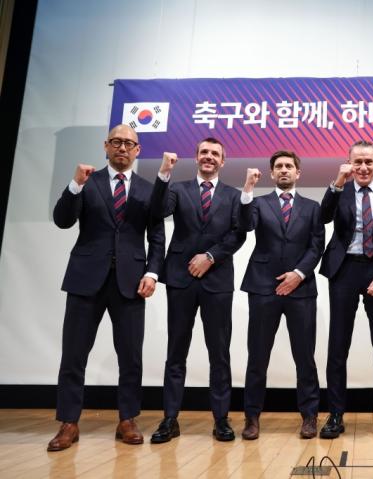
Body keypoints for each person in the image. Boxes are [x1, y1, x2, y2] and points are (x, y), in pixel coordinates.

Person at [48, 124, 164, 451]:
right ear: (106, 146)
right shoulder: (87, 182)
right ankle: (68, 422)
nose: (122, 148)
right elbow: (62, 220)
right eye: (116, 142)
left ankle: (127, 419)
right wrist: (74, 185)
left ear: (138, 150)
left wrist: (153, 273)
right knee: (74, 354)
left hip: (131, 282)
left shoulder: (147, 189)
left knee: (130, 356)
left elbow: (157, 237)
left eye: (129, 143)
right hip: (85, 280)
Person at [149, 138, 245, 443]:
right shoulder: (177, 189)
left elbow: (239, 234)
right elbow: (157, 211)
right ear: (196, 157)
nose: (209, 157)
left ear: (223, 161)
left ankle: (221, 419)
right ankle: (169, 419)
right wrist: (164, 173)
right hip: (180, 278)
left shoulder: (233, 195)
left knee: (219, 352)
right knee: (176, 351)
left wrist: (211, 256)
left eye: (215, 153)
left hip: (217, 280)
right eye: (204, 152)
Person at [318, 140, 373, 440]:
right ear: (349, 163)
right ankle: (335, 414)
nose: (364, 167)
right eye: (358, 162)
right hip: (344, 270)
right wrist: (337, 183)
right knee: (338, 346)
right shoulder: (339, 189)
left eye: (369, 162)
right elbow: (323, 217)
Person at [239, 151, 324, 440]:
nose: (284, 170)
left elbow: (317, 246)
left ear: (298, 173)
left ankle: (310, 416)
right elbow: (245, 225)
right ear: (272, 173)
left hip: (301, 289)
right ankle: (251, 417)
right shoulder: (257, 203)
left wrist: (298, 274)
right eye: (279, 167)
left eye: (289, 166)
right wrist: (247, 189)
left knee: (305, 356)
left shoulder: (312, 207)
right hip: (263, 287)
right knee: (257, 356)